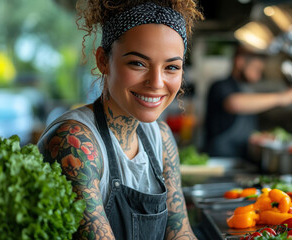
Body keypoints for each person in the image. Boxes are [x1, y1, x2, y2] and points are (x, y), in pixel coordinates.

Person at [37, 1, 203, 239]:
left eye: (171, 67)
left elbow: (180, 234)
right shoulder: (74, 142)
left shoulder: (162, 137)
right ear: (103, 60)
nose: (156, 82)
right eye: (138, 63)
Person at [204, 45, 292, 160]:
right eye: (256, 69)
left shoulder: (248, 90)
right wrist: (281, 98)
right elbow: (234, 103)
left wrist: (257, 136)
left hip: (242, 160)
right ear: (240, 62)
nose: (258, 76)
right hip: (219, 160)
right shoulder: (220, 86)